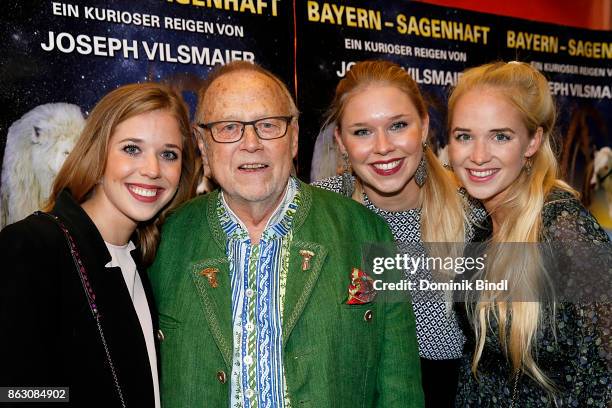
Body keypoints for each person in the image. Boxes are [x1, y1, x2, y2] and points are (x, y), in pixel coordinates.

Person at [148, 61, 424, 407]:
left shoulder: (369, 231)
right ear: (202, 145)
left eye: (268, 125)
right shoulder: (163, 241)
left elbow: (401, 388)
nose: (251, 143)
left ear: (293, 138)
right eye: (229, 127)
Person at [0, 82, 196, 407]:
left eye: (168, 154)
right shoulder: (32, 246)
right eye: (132, 148)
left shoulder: (142, 261)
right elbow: (12, 393)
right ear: (97, 151)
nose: (152, 170)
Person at [313, 59, 482, 407]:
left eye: (398, 125)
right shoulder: (319, 212)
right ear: (341, 142)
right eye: (362, 131)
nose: (383, 147)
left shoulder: (474, 215)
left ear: (423, 126)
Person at [447, 61, 611, 406]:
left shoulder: (566, 231)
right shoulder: (482, 224)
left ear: (533, 141)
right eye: (464, 136)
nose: (477, 156)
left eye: (500, 136)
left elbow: (603, 375)